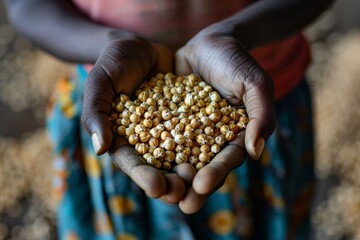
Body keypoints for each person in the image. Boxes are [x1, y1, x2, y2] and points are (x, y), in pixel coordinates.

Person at [5, 0, 333, 239]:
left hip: (257, 97)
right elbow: (25, 4)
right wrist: (105, 44)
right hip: (113, 91)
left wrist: (239, 32)